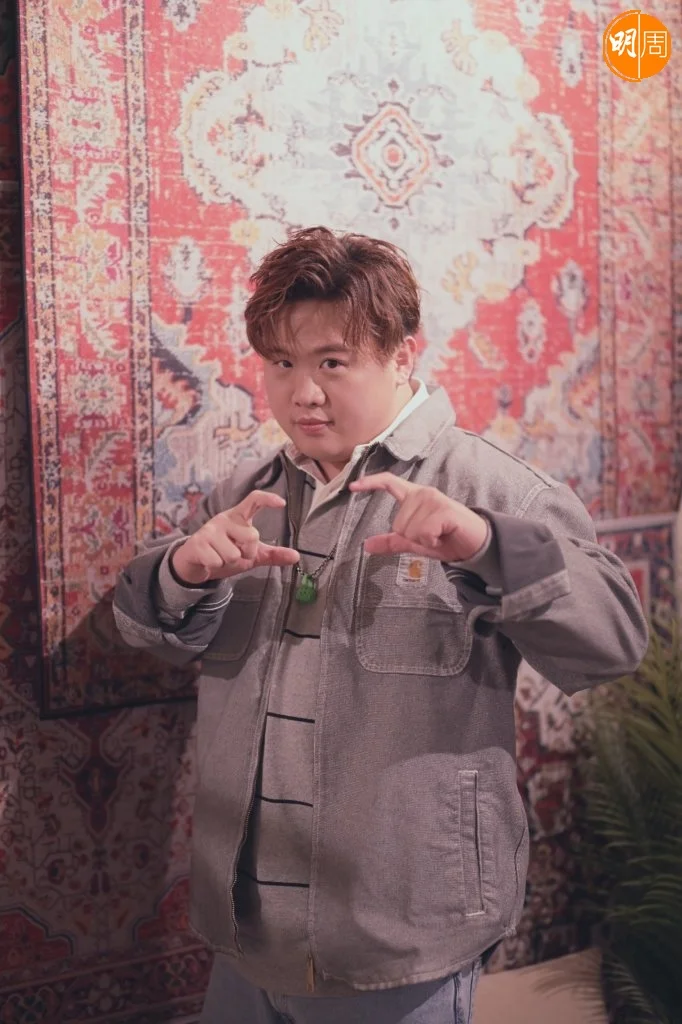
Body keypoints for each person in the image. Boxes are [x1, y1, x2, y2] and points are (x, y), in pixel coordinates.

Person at [114, 226, 648, 1024]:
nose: (303, 393)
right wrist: (182, 572)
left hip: (397, 931)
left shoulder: (492, 490)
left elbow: (614, 643)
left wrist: (486, 545)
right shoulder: (247, 491)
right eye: (282, 364)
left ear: (403, 356)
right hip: (242, 925)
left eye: (332, 363)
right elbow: (142, 632)